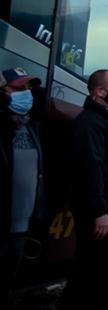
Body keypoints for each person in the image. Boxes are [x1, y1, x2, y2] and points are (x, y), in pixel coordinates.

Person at [63, 69, 108, 310]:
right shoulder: (89, 123)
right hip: (99, 213)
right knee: (89, 269)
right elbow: (89, 169)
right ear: (99, 92)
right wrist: (99, 211)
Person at [3, 67, 45, 303]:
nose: (26, 94)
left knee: (9, 280)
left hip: (23, 223)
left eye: (28, 89)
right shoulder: (2, 128)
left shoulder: (32, 127)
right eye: (19, 89)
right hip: (3, 222)